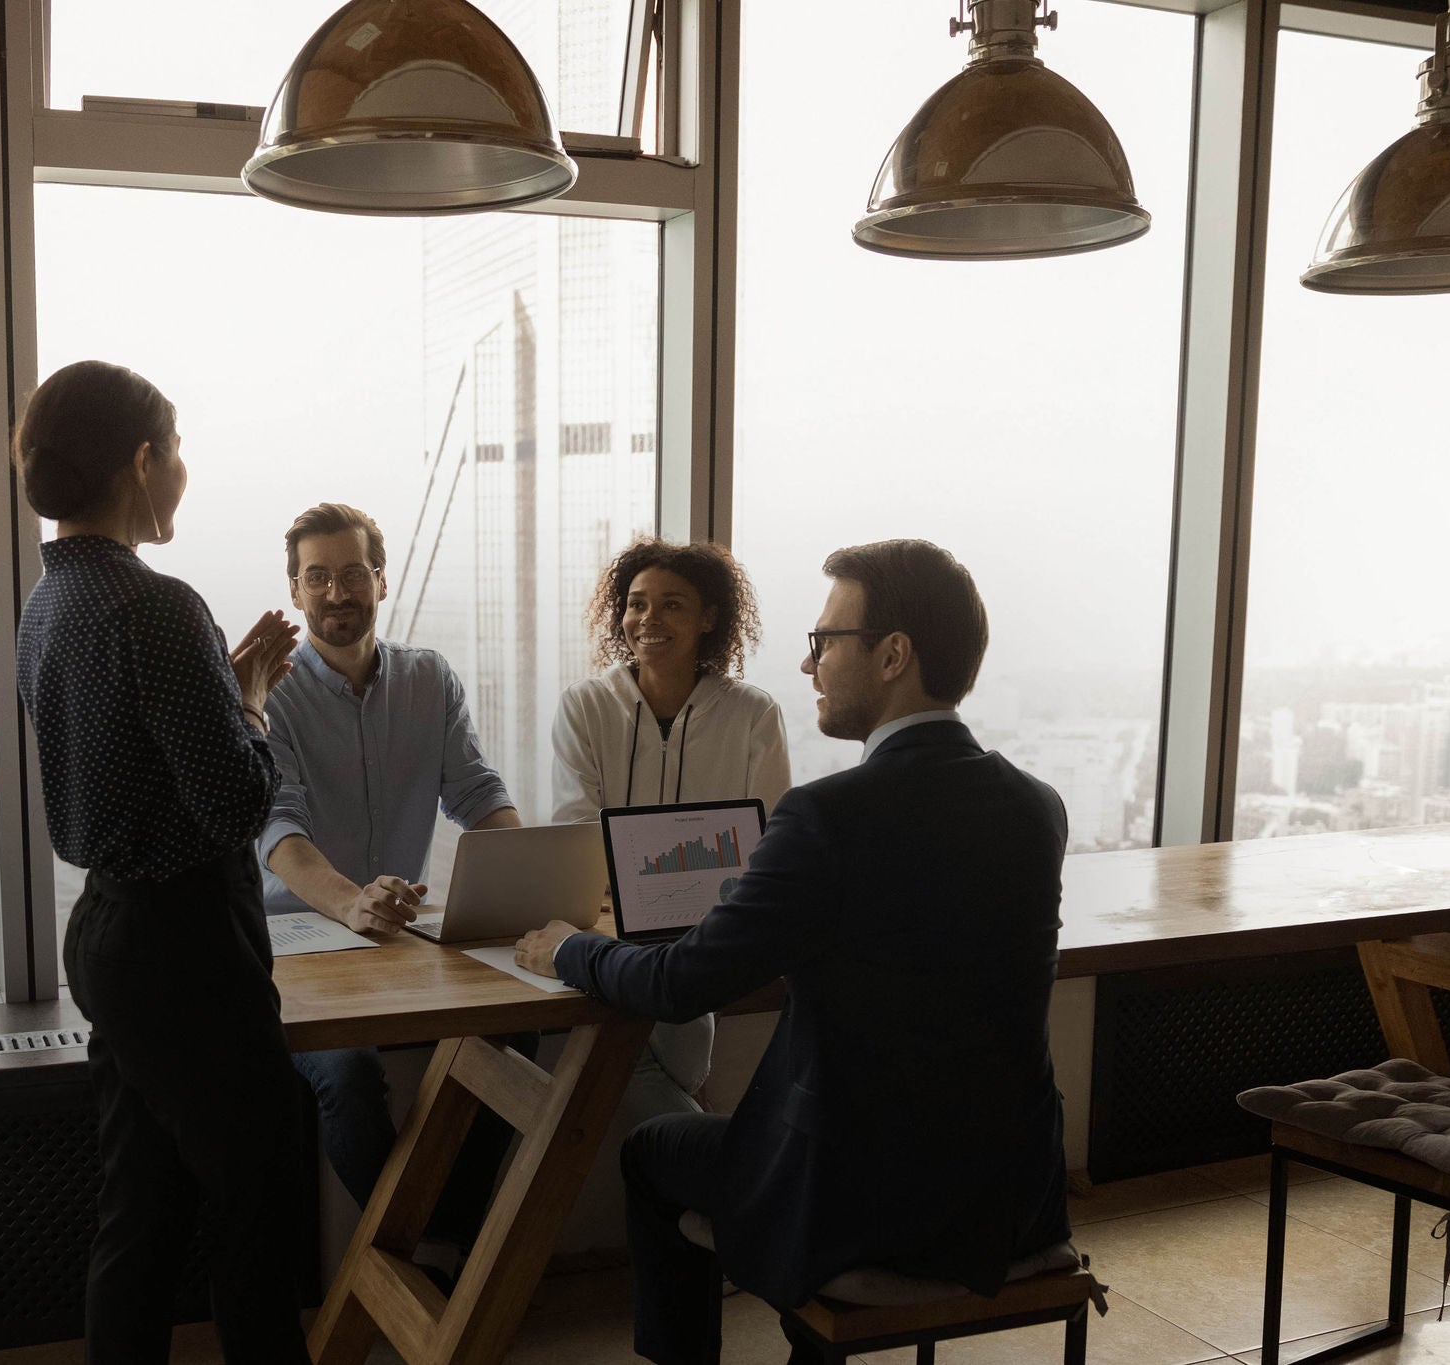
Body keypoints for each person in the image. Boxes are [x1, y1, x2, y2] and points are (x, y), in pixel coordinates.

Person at [516, 539, 1071, 1365]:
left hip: (857, 1202)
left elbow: (676, 982)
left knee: (653, 1152)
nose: (809, 665)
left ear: (892, 655)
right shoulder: (1038, 807)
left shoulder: (825, 819)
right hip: (1009, 1198)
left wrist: (565, 949)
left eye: (824, 642)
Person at [12, 360, 308, 1364]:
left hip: (109, 933)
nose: (181, 472)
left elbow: (127, 758)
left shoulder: (47, 604)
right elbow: (231, 803)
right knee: (263, 1196)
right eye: (175, 451)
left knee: (140, 1204)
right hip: (186, 943)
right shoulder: (156, 605)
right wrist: (254, 701)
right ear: (141, 461)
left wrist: (221, 689)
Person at [258, 501, 530, 1274]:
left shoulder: (427, 678)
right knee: (347, 1070)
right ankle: (407, 1252)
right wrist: (349, 901)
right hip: (299, 945)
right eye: (318, 578)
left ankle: (439, 1238)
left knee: (511, 1029)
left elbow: (475, 791)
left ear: (381, 579)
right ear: (295, 589)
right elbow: (277, 831)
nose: (337, 593)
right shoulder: (268, 693)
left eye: (352, 574)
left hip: (396, 941)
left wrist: (535, 869)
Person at [551, 537, 790, 1113]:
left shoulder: (753, 714)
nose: (647, 619)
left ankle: (689, 1171)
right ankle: (699, 1170)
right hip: (609, 929)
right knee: (665, 1061)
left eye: (672, 604)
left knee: (663, 1053)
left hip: (709, 928)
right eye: (636, 603)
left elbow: (770, 841)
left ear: (709, 618)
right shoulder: (585, 705)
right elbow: (576, 828)